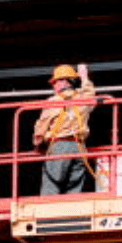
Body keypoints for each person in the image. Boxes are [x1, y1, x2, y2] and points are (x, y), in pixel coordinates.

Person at [33, 63, 97, 195]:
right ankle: (71, 215)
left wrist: (37, 143)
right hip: (79, 148)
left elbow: (40, 128)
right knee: (74, 188)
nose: (53, 86)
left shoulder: (52, 102)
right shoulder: (83, 99)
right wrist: (84, 77)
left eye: (55, 82)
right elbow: (90, 93)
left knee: (51, 186)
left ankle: (47, 215)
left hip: (59, 146)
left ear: (63, 82)